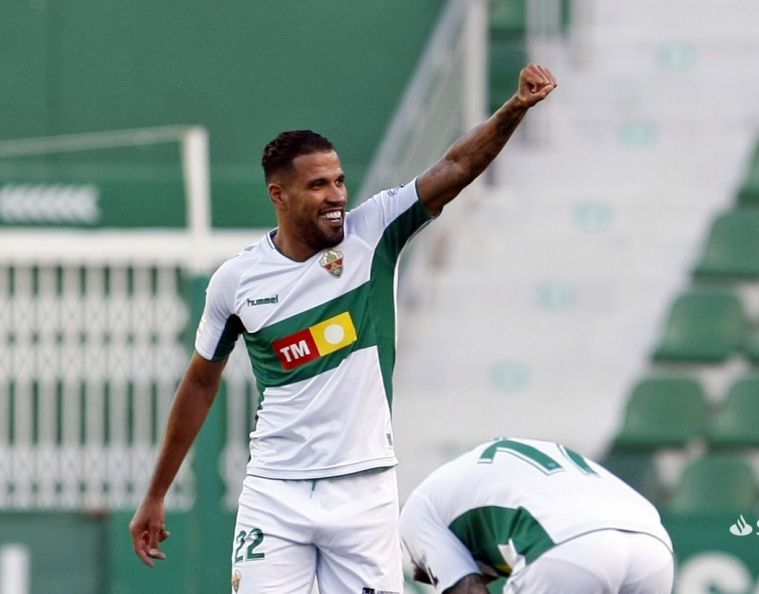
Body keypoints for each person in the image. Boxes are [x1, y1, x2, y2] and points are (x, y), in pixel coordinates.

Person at [129, 64, 558, 593]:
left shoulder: (373, 232)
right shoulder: (235, 282)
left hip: (364, 489)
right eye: (318, 185)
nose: (336, 196)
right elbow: (199, 382)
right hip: (273, 491)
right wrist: (156, 493)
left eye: (339, 180)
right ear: (278, 195)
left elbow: (455, 165)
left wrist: (513, 108)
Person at [399, 437, 674, 594]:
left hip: (567, 546)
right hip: (653, 546)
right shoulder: (468, 491)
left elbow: (468, 590)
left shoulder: (417, 516)